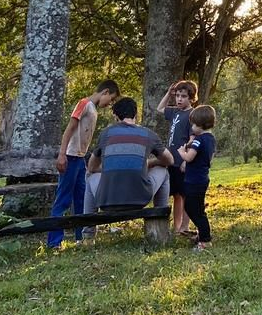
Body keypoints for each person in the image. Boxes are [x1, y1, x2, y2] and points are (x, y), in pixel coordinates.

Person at [81, 97, 173, 236]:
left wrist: (110, 169)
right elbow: (169, 161)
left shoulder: (106, 134)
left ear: (115, 116)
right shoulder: (148, 134)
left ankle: (88, 234)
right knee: (163, 172)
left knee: (89, 176)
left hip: (107, 201)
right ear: (136, 115)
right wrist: (150, 163)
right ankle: (160, 224)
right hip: (140, 199)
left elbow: (92, 167)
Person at [47, 79, 120, 249]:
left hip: (80, 159)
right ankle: (54, 242)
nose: (110, 104)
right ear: (105, 92)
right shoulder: (84, 104)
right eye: (111, 99)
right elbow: (70, 129)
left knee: (81, 198)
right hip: (70, 156)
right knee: (63, 199)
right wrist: (62, 154)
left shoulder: (93, 109)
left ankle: (80, 237)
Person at [156, 79, 198, 236]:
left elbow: (192, 138)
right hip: (171, 161)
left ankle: (183, 227)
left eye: (183, 96)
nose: (179, 99)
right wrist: (168, 93)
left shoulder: (191, 115)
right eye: (178, 96)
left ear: (191, 98)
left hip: (181, 161)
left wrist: (186, 159)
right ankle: (176, 228)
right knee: (176, 195)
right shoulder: (175, 112)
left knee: (184, 194)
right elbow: (160, 108)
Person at [177, 104, 216, 250]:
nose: (192, 127)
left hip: (193, 181)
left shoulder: (198, 140)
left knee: (195, 210)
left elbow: (189, 157)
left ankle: (205, 239)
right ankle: (202, 233)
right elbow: (209, 159)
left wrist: (181, 151)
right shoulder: (211, 139)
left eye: (193, 124)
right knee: (195, 207)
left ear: (200, 125)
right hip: (202, 178)